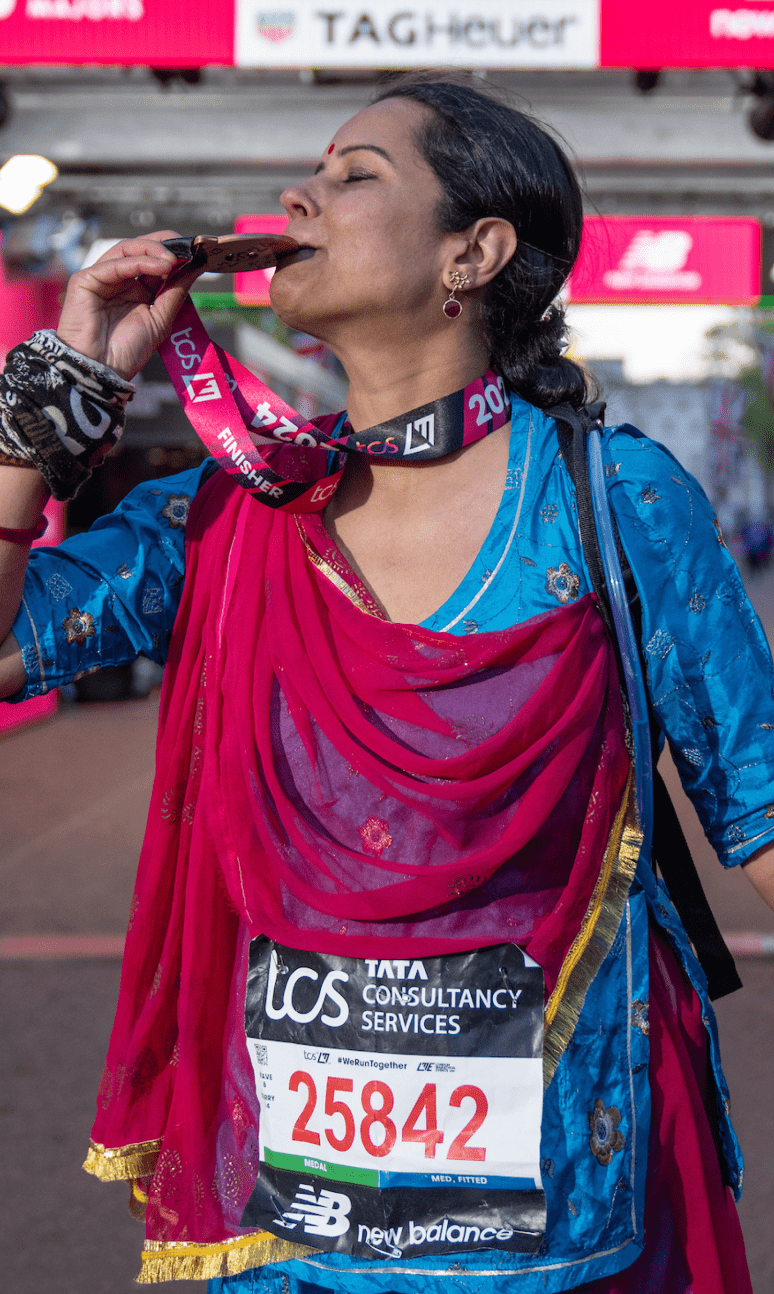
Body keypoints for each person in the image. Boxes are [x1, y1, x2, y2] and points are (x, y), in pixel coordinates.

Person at [1, 73, 773, 1294]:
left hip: (561, 1214)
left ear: (476, 251)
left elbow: (762, 809)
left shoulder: (612, 502)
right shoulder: (229, 513)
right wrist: (51, 399)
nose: (296, 196)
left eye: (355, 175)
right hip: (290, 1222)